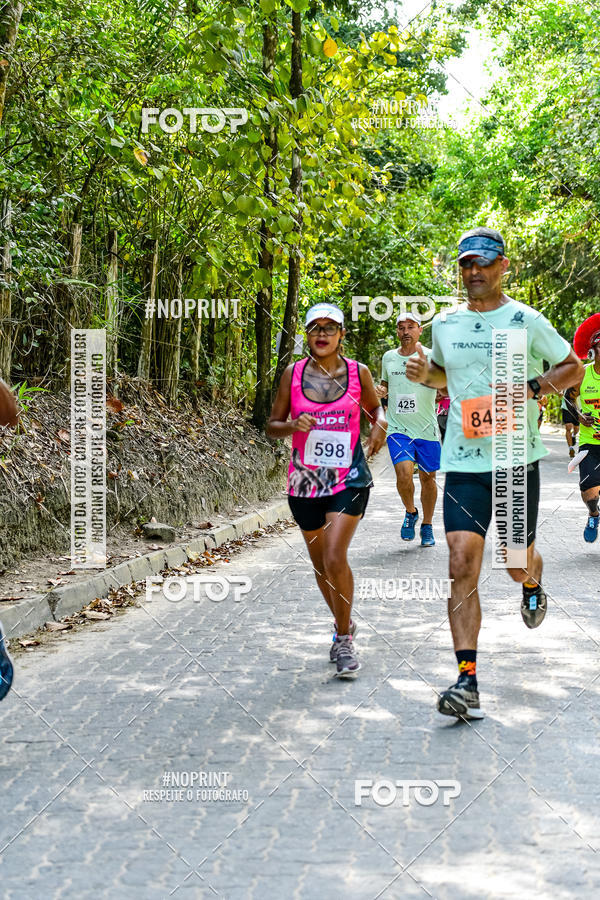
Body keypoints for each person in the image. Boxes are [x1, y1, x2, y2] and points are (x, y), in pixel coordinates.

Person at [406, 226, 584, 720]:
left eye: (483, 262)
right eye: (466, 263)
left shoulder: (525, 319)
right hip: (462, 461)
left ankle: (531, 582)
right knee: (461, 564)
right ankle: (467, 682)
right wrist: (429, 377)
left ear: (504, 265)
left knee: (513, 562)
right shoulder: (445, 323)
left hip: (513, 459)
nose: (474, 271)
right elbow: (445, 372)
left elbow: (574, 367)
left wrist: (532, 386)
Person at [267, 302, 387, 677]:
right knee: (321, 566)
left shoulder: (358, 373)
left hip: (348, 477)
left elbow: (375, 410)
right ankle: (344, 621)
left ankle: (342, 639)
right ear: (307, 334)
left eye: (330, 328)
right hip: (304, 481)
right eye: (315, 327)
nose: (322, 334)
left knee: (335, 556)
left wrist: (379, 426)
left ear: (341, 335)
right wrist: (292, 428)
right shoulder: (292, 373)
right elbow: (272, 424)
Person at [376, 312, 441, 547]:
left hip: (426, 428)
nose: (405, 331)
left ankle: (427, 524)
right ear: (397, 332)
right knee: (403, 473)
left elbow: (444, 385)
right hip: (398, 427)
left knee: (428, 478)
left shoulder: (432, 356)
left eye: (410, 327)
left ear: (419, 330)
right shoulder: (389, 358)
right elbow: (384, 385)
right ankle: (410, 511)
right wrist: (381, 391)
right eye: (401, 327)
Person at [571, 313, 600, 543]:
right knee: (588, 490)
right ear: (593, 350)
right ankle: (593, 513)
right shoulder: (583, 375)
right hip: (590, 441)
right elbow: (570, 399)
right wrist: (580, 415)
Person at [561, 385, 580, 457]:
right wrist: (560, 394)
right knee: (568, 427)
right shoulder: (566, 381)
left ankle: (573, 435)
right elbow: (558, 391)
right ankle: (571, 448)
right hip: (566, 407)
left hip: (577, 409)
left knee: (576, 429)